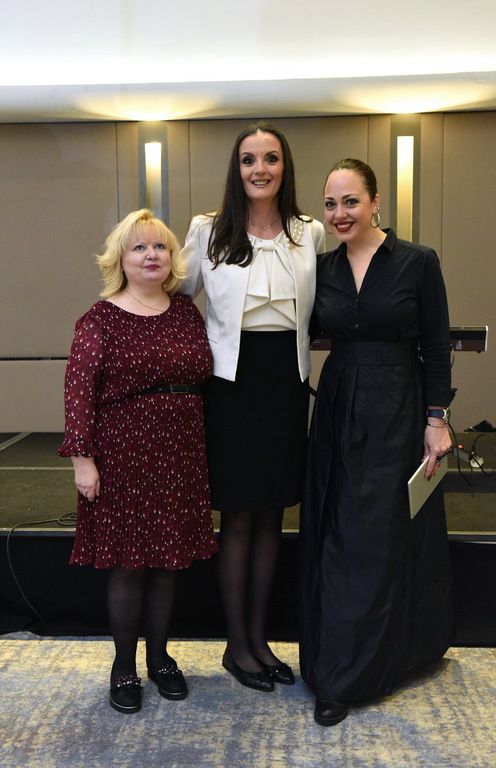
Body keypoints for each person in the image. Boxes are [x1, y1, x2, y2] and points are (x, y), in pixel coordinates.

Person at [299, 158, 454, 726]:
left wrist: (437, 419)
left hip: (400, 408)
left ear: (375, 202)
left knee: (384, 535)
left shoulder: (418, 261)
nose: (340, 214)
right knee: (340, 532)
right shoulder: (319, 268)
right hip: (339, 407)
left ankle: (396, 654)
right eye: (330, 204)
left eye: (351, 201)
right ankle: (337, 670)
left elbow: (435, 345)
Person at [181, 122, 324, 691]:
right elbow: (174, 297)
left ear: (285, 166)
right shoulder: (208, 230)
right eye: (248, 160)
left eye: (270, 158)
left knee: (273, 516)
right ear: (236, 169)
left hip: (285, 386)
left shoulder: (309, 233)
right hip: (231, 388)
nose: (259, 169)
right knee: (238, 516)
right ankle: (236, 646)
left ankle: (258, 641)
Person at [58, 209, 218, 714]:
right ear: (120, 260)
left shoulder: (186, 311)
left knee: (168, 564)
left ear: (172, 258)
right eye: (139, 247)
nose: (152, 255)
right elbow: (78, 394)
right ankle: (124, 666)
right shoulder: (100, 317)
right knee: (129, 566)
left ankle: (160, 659)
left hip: (180, 454)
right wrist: (82, 461)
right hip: (123, 455)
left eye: (160, 247)